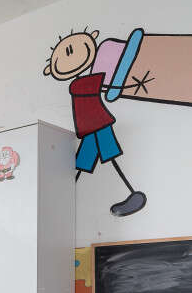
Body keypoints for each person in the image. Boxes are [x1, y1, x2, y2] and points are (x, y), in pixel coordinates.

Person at [44, 29, 147, 216]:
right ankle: (130, 193)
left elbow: (105, 84)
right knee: (100, 159)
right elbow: (105, 82)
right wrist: (124, 84)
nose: (70, 52)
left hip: (92, 127)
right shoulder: (80, 84)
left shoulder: (81, 83)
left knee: (84, 164)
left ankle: (64, 201)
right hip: (97, 124)